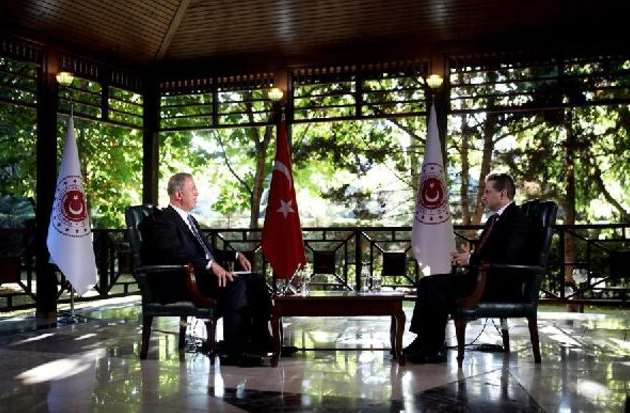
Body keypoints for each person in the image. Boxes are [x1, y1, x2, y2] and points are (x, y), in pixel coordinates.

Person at [139, 172, 273, 366]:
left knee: (256, 280)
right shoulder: (164, 221)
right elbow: (176, 254)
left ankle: (260, 341)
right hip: (184, 282)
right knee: (236, 285)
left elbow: (207, 252)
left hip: (202, 276)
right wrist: (209, 265)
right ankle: (233, 350)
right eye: (192, 189)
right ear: (178, 195)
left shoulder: (190, 220)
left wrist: (235, 255)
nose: (197, 193)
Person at [405, 172, 531, 363]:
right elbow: (488, 252)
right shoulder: (494, 219)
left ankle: (433, 348)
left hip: (498, 284)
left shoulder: (517, 219)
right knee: (427, 283)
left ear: (503, 194)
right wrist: (466, 258)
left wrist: (471, 258)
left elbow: (508, 256)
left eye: (488, 192)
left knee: (436, 286)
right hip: (480, 277)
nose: (483, 196)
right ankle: (423, 341)